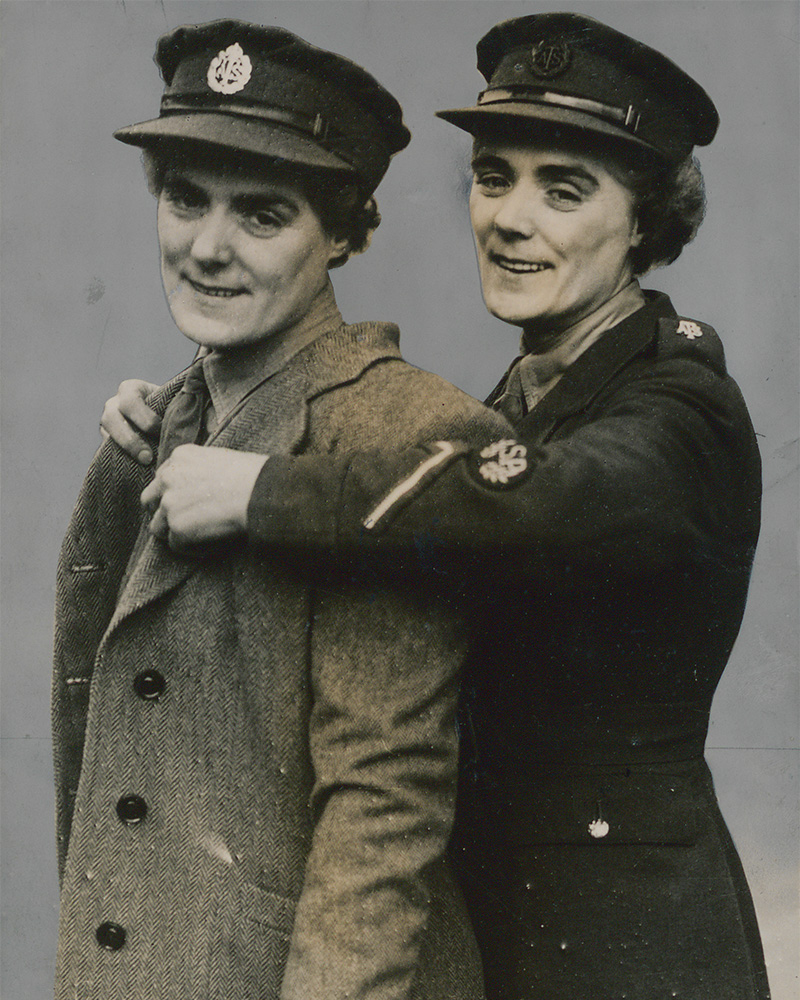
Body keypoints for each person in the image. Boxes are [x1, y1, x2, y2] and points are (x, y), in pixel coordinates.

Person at [99, 12, 770, 1000]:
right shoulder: (522, 398)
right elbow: (432, 490)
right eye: (493, 176)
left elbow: (534, 502)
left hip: (625, 943)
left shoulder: (679, 405)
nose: (508, 217)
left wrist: (259, 489)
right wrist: (189, 416)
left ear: (643, 221)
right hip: (485, 923)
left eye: (563, 189)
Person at [51, 19, 513, 1000]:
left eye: (262, 215)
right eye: (185, 199)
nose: (208, 248)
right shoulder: (147, 430)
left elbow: (378, 819)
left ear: (342, 232)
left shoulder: (399, 432)